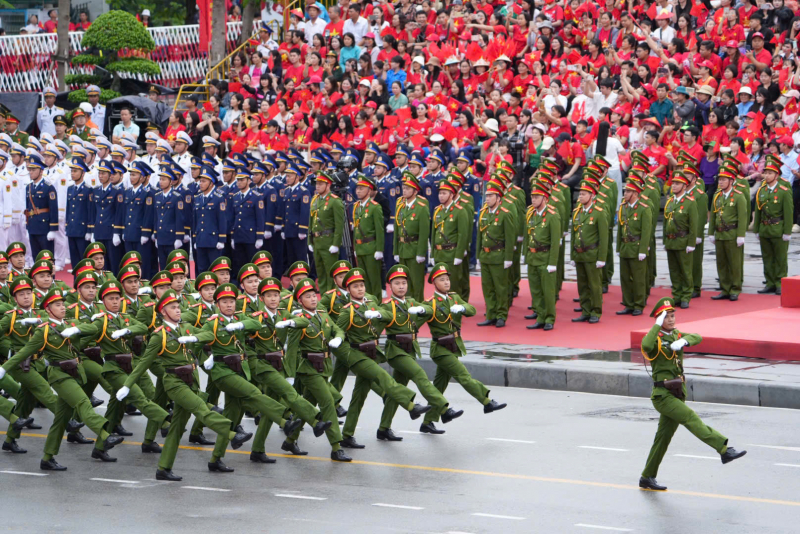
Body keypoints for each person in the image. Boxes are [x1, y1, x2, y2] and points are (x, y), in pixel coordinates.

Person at [119, 289, 253, 480]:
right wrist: (127, 385)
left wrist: (195, 338)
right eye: (173, 308)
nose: (178, 310)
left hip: (190, 381)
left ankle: (163, 468)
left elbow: (209, 335)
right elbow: (143, 363)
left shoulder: (186, 328)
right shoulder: (159, 336)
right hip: (174, 383)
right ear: (163, 311)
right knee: (201, 408)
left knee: (176, 428)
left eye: (178, 307)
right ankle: (232, 433)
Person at [0, 288, 125, 470]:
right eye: (57, 305)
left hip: (75, 373)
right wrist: (4, 368)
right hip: (59, 375)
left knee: (60, 420)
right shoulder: (43, 331)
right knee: (83, 402)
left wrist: (76, 328)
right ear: (49, 310)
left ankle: (47, 457)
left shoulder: (69, 323)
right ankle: (105, 435)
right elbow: (24, 353)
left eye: (62, 304)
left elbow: (93, 327)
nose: (63, 308)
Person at [639, 297, 746, 491]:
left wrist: (684, 341)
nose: (671, 319)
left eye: (672, 315)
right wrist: (655, 326)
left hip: (677, 392)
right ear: (659, 319)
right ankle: (723, 449)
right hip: (662, 395)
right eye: (666, 316)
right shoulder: (655, 339)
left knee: (662, 439)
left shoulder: (676, 335)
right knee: (690, 417)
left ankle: (647, 477)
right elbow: (645, 345)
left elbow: (698, 336)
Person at [334, 267, 431, 448]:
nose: (360, 289)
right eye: (355, 286)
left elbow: (387, 315)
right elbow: (338, 330)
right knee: (383, 376)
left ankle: (347, 434)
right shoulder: (347, 311)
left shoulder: (371, 303)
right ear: (348, 290)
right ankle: (410, 405)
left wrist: (378, 314)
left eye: (362, 285)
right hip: (357, 354)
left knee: (358, 397)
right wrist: (346, 351)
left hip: (371, 353)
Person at [414, 263, 505, 434]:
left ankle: (428, 422)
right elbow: (417, 322)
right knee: (463, 376)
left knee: (439, 386)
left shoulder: (455, 298)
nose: (446, 282)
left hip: (454, 346)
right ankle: (487, 402)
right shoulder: (431, 303)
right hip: (440, 348)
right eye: (442, 280)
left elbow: (471, 310)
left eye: (447, 279)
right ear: (434, 283)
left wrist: (462, 307)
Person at [377, 264, 461, 440]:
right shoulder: (386, 305)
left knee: (396, 390)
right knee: (419, 374)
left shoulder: (412, 303)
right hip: (395, 350)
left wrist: (423, 310)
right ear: (390, 286)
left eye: (404, 283)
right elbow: (378, 321)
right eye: (397, 283)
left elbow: (430, 309)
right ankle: (444, 408)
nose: (401, 286)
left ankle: (383, 428)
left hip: (410, 350)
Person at [476, 180, 514, 328]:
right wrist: (479, 253)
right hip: (486, 255)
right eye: (486, 196)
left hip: (498, 255)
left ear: (498, 198)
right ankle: (490, 314)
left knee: (500, 288)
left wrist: (508, 258)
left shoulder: (505, 214)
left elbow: (510, 237)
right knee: (488, 287)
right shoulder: (484, 213)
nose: (487, 199)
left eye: (491, 196)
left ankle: (501, 315)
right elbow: (480, 235)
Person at [570, 178, 608, 324]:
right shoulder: (577, 212)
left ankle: (596, 311)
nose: (580, 197)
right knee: (582, 285)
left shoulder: (599, 212)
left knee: (594, 285)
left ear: (592, 195)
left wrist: (602, 258)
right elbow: (574, 235)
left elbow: (604, 237)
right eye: (580, 194)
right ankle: (585, 310)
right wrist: (572, 255)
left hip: (592, 254)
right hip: (579, 254)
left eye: (584, 194)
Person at [753, 160, 793, 295]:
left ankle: (780, 283)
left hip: (778, 228)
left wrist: (787, 231)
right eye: (766, 173)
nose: (767, 176)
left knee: (780, 258)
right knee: (767, 257)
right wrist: (756, 229)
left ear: (777, 175)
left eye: (770, 173)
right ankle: (769, 282)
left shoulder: (783, 191)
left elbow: (788, 213)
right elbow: (758, 211)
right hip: (765, 228)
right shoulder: (761, 191)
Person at [524, 182, 561, 330]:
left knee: (548, 291)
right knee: (536, 291)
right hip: (533, 258)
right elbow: (528, 236)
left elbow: (554, 241)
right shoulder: (531, 214)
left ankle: (550, 318)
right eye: (532, 196)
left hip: (545, 258)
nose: (533, 199)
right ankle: (540, 316)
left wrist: (553, 262)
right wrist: (525, 255)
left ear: (544, 198)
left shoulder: (552, 215)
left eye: (537, 197)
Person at [709, 169, 748, 301]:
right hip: (720, 234)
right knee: (722, 263)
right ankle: (725, 288)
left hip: (732, 233)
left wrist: (741, 235)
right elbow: (713, 215)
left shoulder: (738, 196)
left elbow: (742, 217)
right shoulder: (717, 195)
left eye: (724, 180)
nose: (720, 182)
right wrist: (710, 232)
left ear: (731, 181)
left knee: (734, 263)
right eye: (719, 180)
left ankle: (735, 289)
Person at [617, 180, 653, 316]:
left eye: (628, 191)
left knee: (638, 278)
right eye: (625, 191)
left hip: (637, 247)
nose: (625, 194)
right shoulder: (624, 207)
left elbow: (646, 231)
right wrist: (619, 247)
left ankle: (638, 304)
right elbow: (621, 229)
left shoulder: (644, 208)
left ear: (635, 193)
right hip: (625, 246)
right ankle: (628, 303)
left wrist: (643, 249)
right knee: (625, 277)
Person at [393, 173, 429, 301]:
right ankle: (407, 306)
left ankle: (418, 306)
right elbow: (397, 229)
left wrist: (421, 252)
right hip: (403, 249)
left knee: (416, 282)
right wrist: (396, 251)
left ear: (415, 191)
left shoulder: (421, 207)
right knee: (404, 281)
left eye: (408, 188)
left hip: (414, 248)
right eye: (404, 188)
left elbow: (424, 233)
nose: (405, 191)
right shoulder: (400, 205)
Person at [308, 171, 344, 293]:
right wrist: (310, 240)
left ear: (328, 185)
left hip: (328, 241)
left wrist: (336, 244)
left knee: (331, 273)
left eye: (320, 184)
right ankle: (324, 298)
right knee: (320, 273)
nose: (317, 186)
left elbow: (339, 225)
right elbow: (311, 221)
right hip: (317, 242)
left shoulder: (335, 201)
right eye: (316, 183)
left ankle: (332, 299)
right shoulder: (315, 200)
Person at [352, 176, 384, 298]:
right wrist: (355, 248)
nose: (358, 191)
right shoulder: (356, 206)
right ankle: (368, 302)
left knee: (374, 280)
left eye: (361, 188)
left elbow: (379, 230)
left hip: (371, 248)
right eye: (357, 189)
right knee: (363, 279)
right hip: (360, 248)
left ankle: (377, 303)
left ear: (369, 190)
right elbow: (356, 229)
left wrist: (379, 249)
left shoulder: (375, 207)